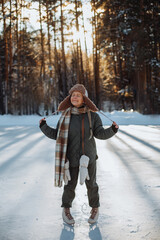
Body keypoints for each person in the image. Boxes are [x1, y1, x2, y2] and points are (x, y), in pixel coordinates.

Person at [39, 84, 119, 225]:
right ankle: (66, 210)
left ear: (84, 98)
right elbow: (57, 135)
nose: (74, 97)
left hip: (89, 158)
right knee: (69, 185)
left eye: (78, 95)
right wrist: (44, 127)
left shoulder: (92, 116)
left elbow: (100, 133)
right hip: (70, 158)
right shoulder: (65, 116)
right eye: (73, 95)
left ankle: (95, 208)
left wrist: (112, 129)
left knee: (92, 185)